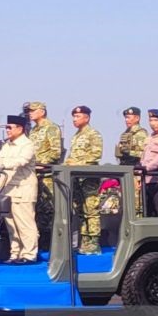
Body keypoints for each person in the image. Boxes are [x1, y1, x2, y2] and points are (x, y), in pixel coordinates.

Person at [0, 115, 38, 264]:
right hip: (8, 190)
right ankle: (15, 254)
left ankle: (29, 254)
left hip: (23, 190)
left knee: (25, 224)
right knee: (11, 225)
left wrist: (1, 164)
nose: (7, 130)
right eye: (6, 127)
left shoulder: (27, 144)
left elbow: (21, 161)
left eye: (10, 127)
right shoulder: (7, 145)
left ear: (20, 129)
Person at [65, 106, 103, 255]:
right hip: (76, 178)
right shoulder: (76, 136)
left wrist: (78, 164)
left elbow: (96, 155)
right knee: (80, 211)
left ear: (86, 118)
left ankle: (94, 243)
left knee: (91, 210)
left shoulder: (93, 134)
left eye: (78, 116)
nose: (75, 119)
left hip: (89, 178)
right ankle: (84, 242)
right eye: (73, 116)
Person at [26, 101, 62, 251]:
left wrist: (41, 163)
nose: (30, 113)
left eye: (33, 110)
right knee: (38, 211)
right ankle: (40, 245)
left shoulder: (51, 128)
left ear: (42, 111)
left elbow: (56, 152)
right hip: (34, 176)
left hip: (46, 175)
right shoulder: (33, 131)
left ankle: (51, 246)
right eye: (29, 111)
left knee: (49, 210)